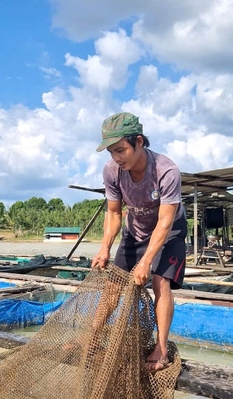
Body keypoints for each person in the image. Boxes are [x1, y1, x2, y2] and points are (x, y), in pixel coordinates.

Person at [91, 112, 187, 371]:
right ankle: (91, 337)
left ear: (140, 142)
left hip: (169, 233)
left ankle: (161, 349)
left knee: (159, 280)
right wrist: (104, 248)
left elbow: (165, 223)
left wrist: (146, 262)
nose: (117, 158)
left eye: (121, 150)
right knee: (112, 284)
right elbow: (113, 213)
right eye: (111, 152)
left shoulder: (166, 171)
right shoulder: (112, 171)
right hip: (135, 231)